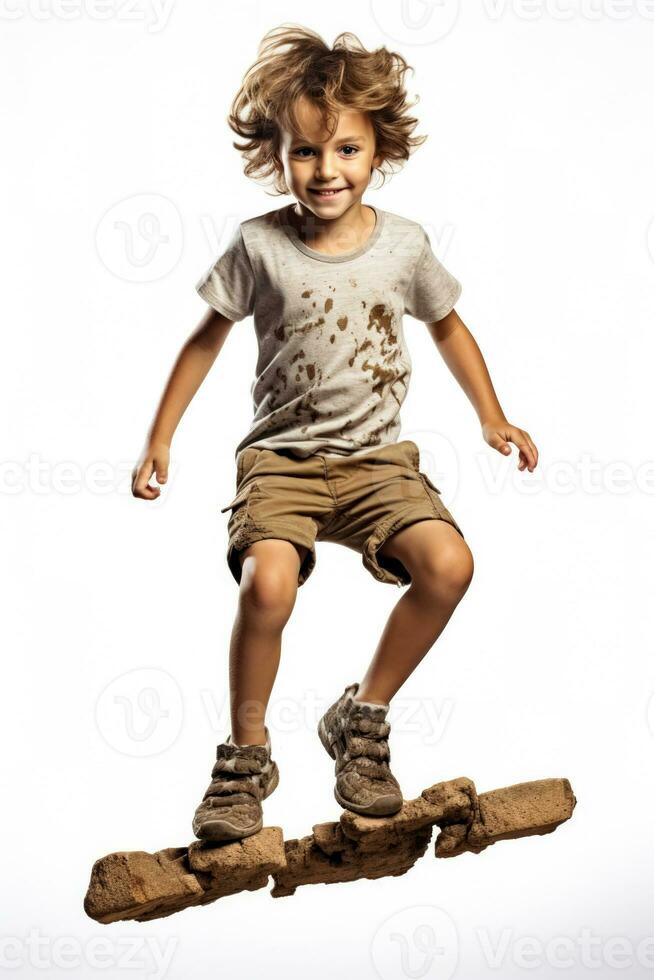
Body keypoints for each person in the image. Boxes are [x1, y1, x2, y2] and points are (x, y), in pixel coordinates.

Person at [131, 25, 538, 843]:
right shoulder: (258, 245)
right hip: (282, 462)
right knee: (267, 587)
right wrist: (160, 438)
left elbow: (450, 328)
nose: (326, 171)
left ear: (379, 151)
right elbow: (204, 339)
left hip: (378, 462)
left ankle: (362, 716)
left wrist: (490, 415)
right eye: (306, 153)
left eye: (346, 151)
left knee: (450, 564)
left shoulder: (405, 245)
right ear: (276, 156)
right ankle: (244, 760)